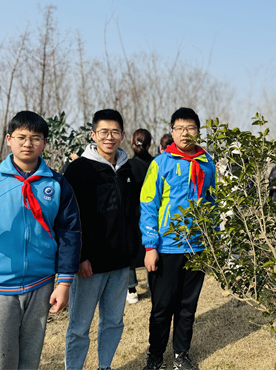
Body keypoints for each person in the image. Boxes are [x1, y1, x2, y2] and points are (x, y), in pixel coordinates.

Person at [0, 111, 81, 370]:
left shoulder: (57, 184)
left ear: (45, 143)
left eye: (35, 138)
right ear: (8, 139)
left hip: (41, 285)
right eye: (21, 137)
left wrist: (64, 283)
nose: (28, 143)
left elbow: (69, 233)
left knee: (28, 362)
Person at [64, 109, 140, 370]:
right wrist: (80, 256)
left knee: (114, 321)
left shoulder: (127, 169)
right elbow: (70, 219)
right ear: (93, 134)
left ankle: (104, 366)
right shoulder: (77, 170)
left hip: (119, 263)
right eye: (104, 132)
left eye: (115, 132)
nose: (109, 137)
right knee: (79, 326)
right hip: (89, 266)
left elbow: (132, 214)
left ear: (122, 135)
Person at [140, 107, 216, 370]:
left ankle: (180, 355)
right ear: (172, 132)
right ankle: (156, 355)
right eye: (180, 128)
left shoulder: (207, 164)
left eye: (191, 128)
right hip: (167, 246)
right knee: (162, 307)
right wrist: (151, 246)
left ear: (198, 131)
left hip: (197, 247)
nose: (185, 133)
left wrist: (213, 242)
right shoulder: (161, 163)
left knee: (187, 306)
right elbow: (148, 204)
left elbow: (212, 204)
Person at [127, 128, 154, 304]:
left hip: (132, 214)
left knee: (130, 250)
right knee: (151, 248)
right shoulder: (157, 163)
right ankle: (153, 283)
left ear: (131, 142)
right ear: (150, 143)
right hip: (153, 213)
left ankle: (131, 290)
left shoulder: (127, 166)